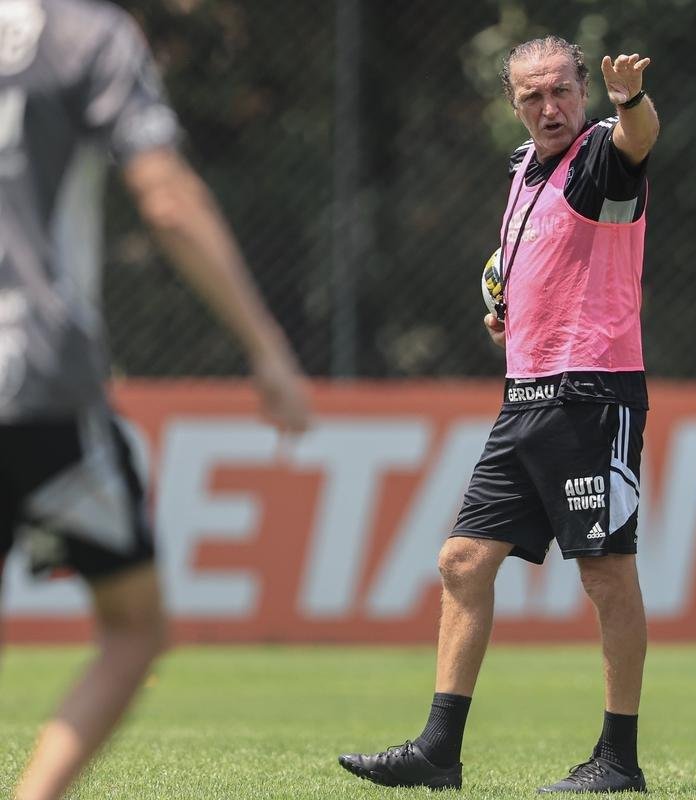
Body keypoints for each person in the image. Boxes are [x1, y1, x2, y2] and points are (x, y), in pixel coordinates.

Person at [0, 2, 311, 798]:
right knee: (135, 628)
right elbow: (166, 200)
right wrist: (265, 346)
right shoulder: (84, 37)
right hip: (34, 385)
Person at [338, 35, 659, 793]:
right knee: (462, 562)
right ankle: (438, 753)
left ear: (582, 91)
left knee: (606, 574)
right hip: (526, 396)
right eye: (530, 96)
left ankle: (618, 762)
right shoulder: (522, 171)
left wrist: (631, 103)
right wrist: (510, 307)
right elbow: (534, 260)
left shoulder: (598, 157)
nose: (548, 108)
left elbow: (637, 142)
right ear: (511, 104)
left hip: (590, 393)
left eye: (560, 91)